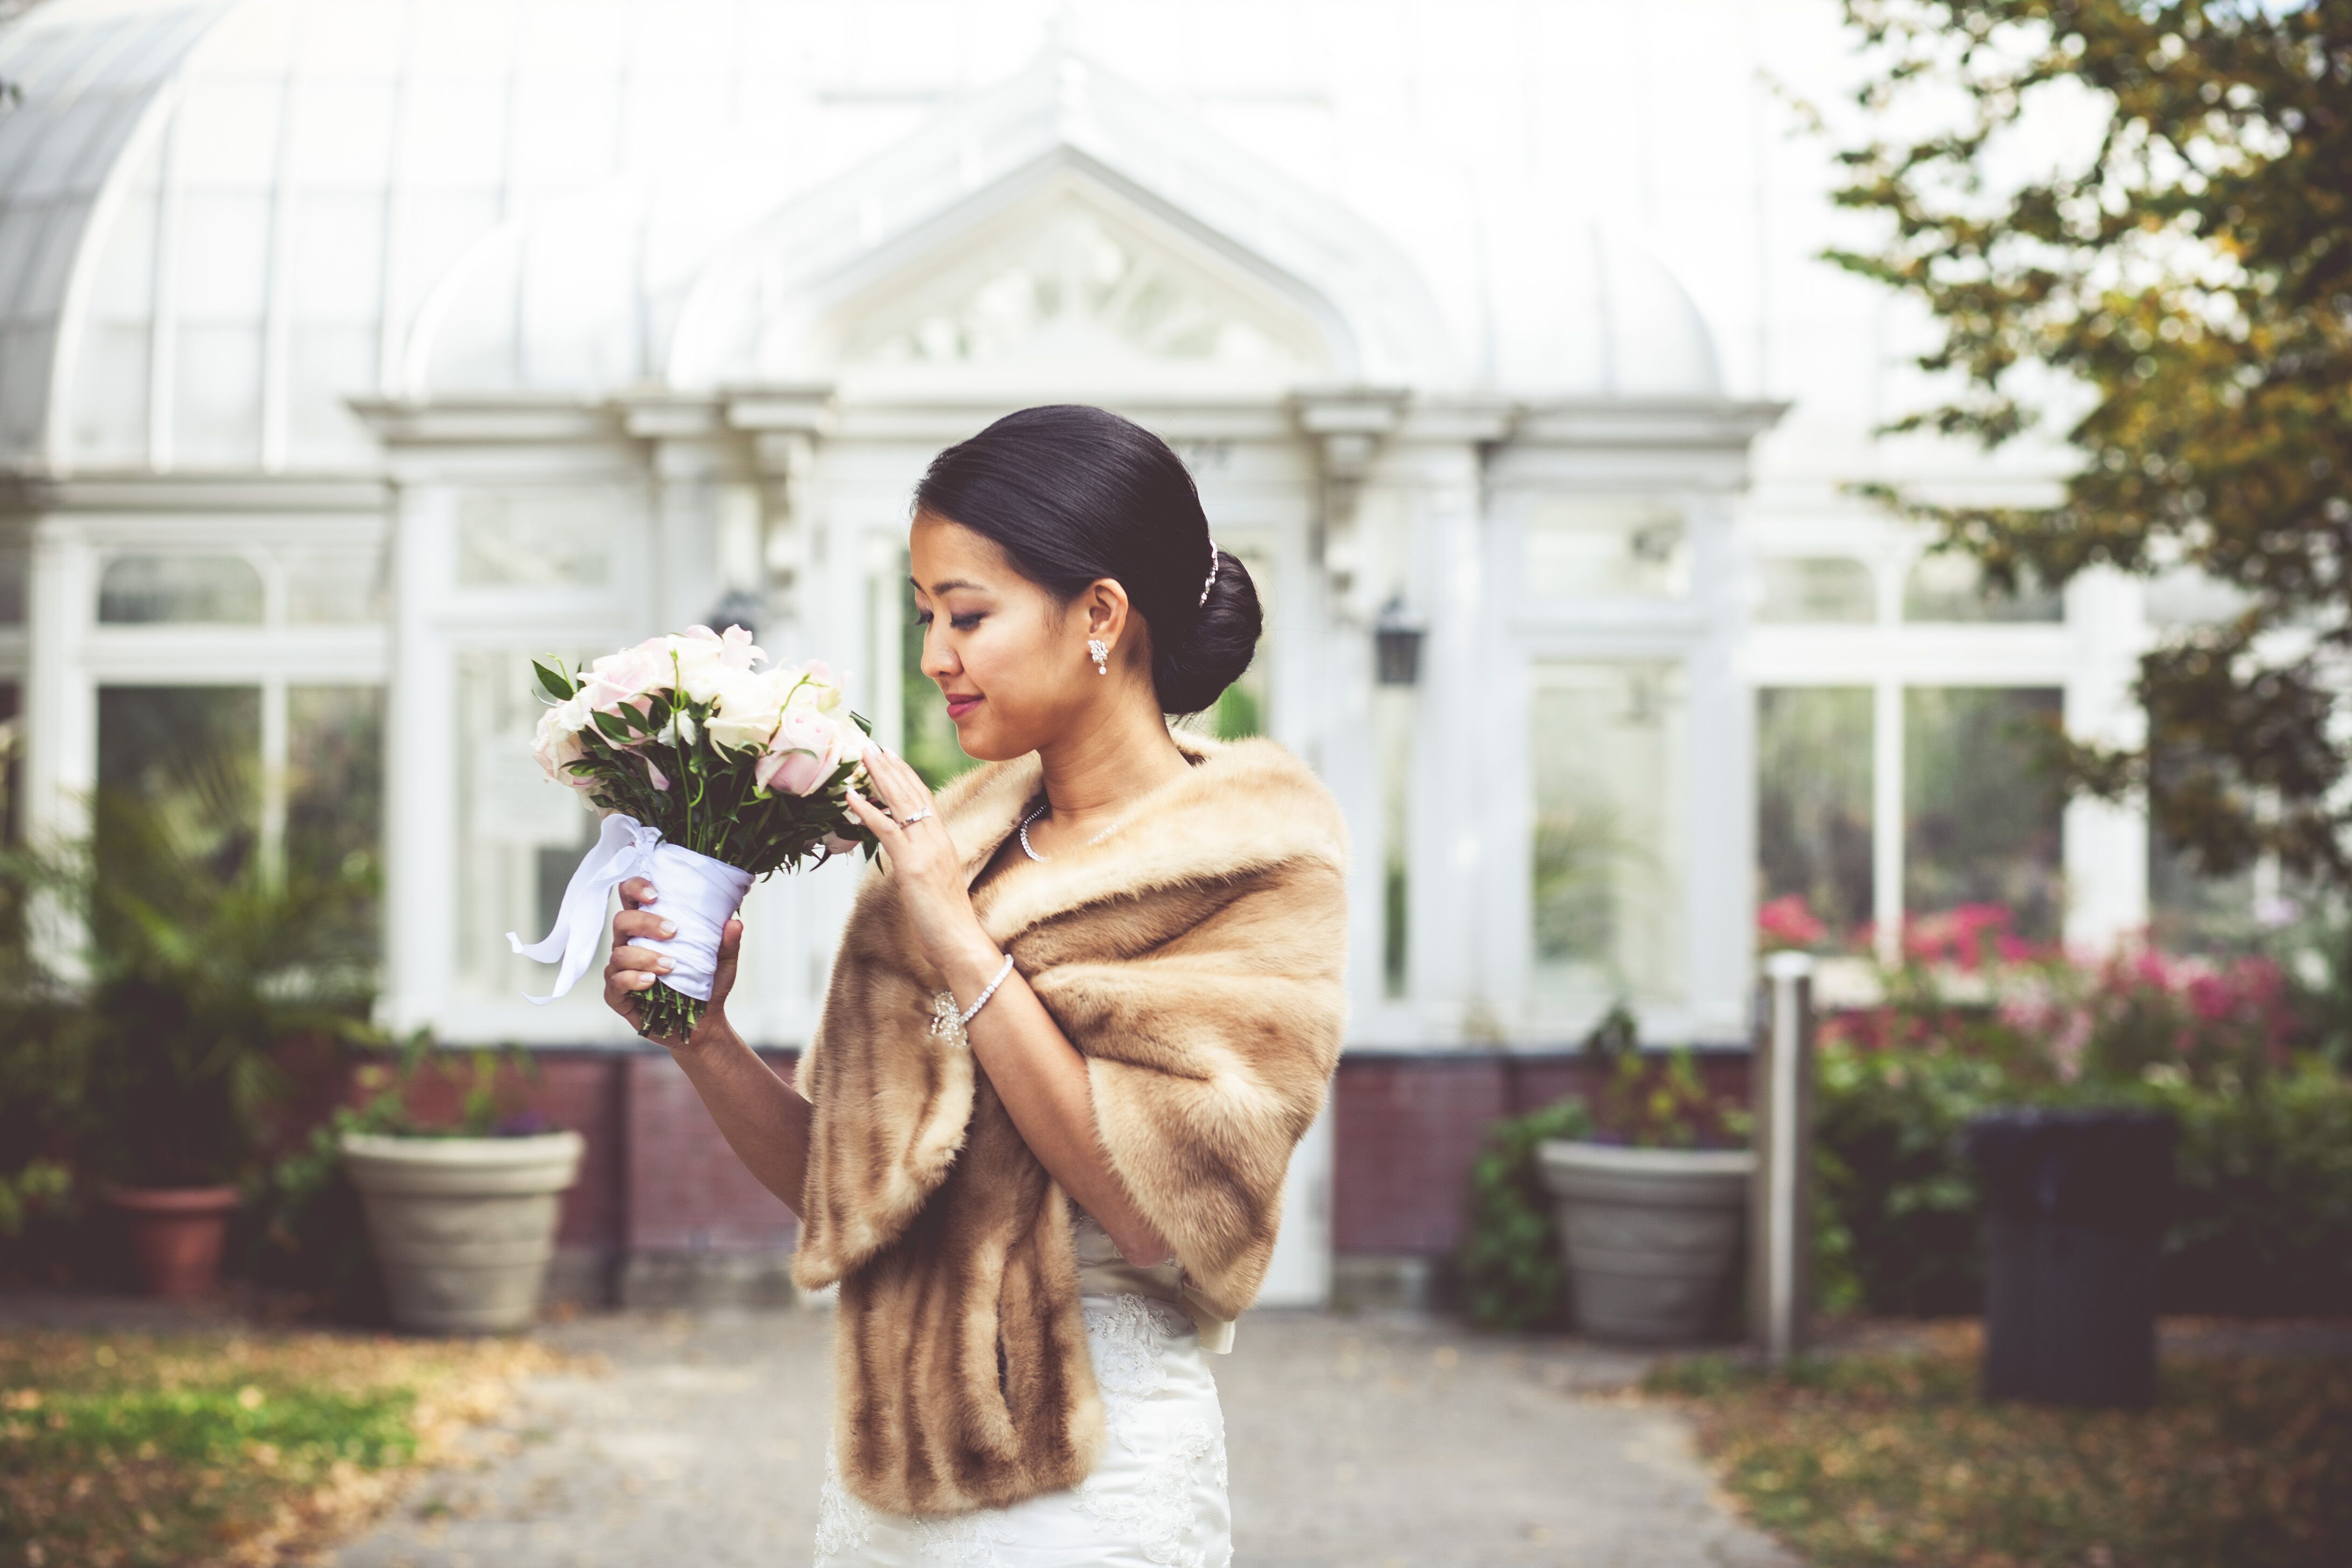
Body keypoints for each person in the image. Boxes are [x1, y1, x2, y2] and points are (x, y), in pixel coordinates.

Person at [601, 404, 1350, 1566]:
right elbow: (852, 1186)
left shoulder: (1254, 869)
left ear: (1100, 614)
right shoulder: (950, 853)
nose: (933, 658)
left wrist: (962, 939)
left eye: (967, 614)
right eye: (923, 617)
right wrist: (703, 1038)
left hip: (1091, 1479)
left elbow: (1157, 1220)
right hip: (892, 1481)